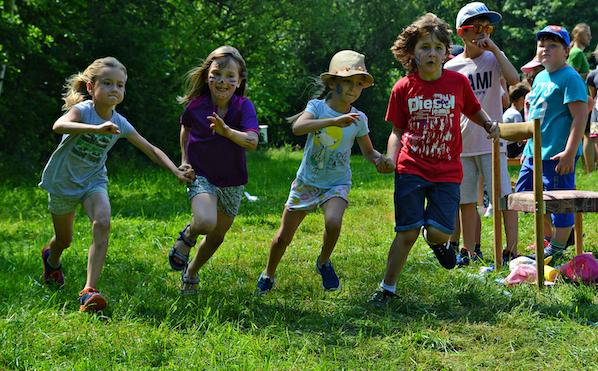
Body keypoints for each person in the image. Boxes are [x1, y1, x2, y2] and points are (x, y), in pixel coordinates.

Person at [39, 57, 195, 312]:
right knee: (63, 240)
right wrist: (97, 128)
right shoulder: (84, 111)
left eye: (120, 85)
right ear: (91, 87)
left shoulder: (120, 123)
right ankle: (52, 258)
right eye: (108, 83)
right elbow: (59, 125)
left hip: (93, 180)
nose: (115, 89)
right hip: (63, 182)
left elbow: (151, 149)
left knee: (102, 222)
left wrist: (176, 170)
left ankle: (89, 291)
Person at [369, 13, 498, 306]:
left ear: (446, 52)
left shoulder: (457, 82)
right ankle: (386, 288)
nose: (432, 53)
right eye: (425, 47)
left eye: (438, 47)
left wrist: (489, 124)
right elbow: (397, 130)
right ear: (413, 52)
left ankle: (436, 240)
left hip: (446, 171)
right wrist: (391, 159)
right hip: (411, 167)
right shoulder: (403, 87)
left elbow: (473, 110)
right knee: (407, 232)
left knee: (440, 232)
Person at [255, 50, 394, 294]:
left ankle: (323, 261)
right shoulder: (317, 107)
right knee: (282, 238)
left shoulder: (360, 118)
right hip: (307, 182)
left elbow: (368, 152)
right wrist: (332, 122)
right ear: (332, 83)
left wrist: (381, 160)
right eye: (347, 82)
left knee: (333, 221)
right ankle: (268, 273)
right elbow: (299, 127)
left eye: (358, 84)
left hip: (337, 182)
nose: (353, 88)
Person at [167, 46, 259, 295]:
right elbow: (185, 128)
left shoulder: (244, 106)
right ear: (207, 75)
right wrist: (185, 159)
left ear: (239, 81)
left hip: (233, 180)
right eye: (217, 74)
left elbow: (252, 142)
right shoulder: (197, 106)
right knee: (206, 222)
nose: (222, 81)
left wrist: (226, 131)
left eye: (230, 76)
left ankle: (192, 272)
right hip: (201, 175)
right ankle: (189, 234)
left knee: (217, 236)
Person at [444, 2, 520, 266]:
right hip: (463, 145)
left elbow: (514, 80)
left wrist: (496, 50)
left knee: (503, 198)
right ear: (460, 33)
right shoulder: (451, 68)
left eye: (487, 28)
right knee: (466, 200)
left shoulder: (492, 58)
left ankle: (512, 250)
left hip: (491, 142)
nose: (481, 34)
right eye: (474, 28)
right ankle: (470, 250)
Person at [515, 25, 588, 261]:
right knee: (524, 196)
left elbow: (580, 116)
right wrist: (527, 149)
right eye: (542, 45)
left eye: (553, 45)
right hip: (534, 153)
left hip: (557, 154)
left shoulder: (570, 77)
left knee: (560, 203)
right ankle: (553, 238)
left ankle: (555, 249)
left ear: (566, 51)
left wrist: (569, 152)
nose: (545, 49)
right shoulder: (540, 77)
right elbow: (534, 116)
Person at [567, 23, 593, 174]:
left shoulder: (577, 53)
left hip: (583, 98)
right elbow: (573, 76)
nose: (590, 36)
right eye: (587, 33)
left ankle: (587, 168)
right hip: (580, 98)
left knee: (587, 134)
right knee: (588, 134)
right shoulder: (576, 53)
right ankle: (589, 170)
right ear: (578, 35)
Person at [503, 82, 530, 159]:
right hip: (510, 149)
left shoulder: (508, 111)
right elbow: (520, 137)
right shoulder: (516, 115)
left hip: (505, 147)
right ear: (522, 99)